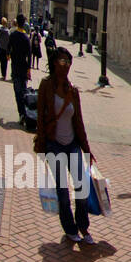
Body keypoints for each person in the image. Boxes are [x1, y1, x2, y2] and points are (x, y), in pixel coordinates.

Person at [33, 47, 96, 243]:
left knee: (82, 188)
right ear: (54, 63)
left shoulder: (73, 91)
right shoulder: (46, 86)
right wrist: (42, 144)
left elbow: (79, 122)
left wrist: (86, 149)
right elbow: (41, 119)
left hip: (72, 144)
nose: (66, 66)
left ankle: (83, 227)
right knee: (62, 191)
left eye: (69, 62)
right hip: (54, 145)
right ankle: (70, 229)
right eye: (62, 62)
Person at [8, 14, 31, 124]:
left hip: (15, 67)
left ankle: (21, 113)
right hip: (24, 67)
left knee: (17, 92)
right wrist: (29, 70)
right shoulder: (26, 38)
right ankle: (26, 113)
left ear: (17, 22)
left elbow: (8, 47)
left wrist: (8, 55)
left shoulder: (13, 35)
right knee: (24, 91)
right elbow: (29, 55)